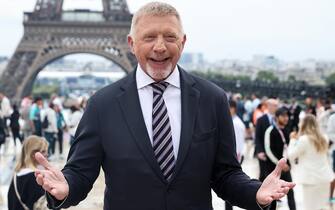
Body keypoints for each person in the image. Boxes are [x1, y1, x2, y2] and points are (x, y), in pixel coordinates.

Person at [34, 2, 294, 210]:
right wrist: (66, 187)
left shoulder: (212, 99)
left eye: (169, 36)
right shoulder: (102, 105)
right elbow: (81, 172)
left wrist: (256, 192)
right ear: (131, 43)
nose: (160, 46)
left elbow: (225, 173)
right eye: (149, 37)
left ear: (183, 42)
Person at [288, 114, 333, 210]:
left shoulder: (304, 139)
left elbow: (291, 156)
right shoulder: (324, 138)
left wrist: (292, 140)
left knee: (310, 207)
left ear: (303, 125)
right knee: (322, 207)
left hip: (311, 180)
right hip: (324, 178)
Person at [264, 107, 296, 210]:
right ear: (277, 117)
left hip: (286, 167)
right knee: (273, 196)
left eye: (287, 116)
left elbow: (288, 148)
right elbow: (268, 150)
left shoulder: (287, 130)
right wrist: (280, 164)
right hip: (274, 168)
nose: (286, 118)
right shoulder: (270, 130)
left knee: (291, 192)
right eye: (283, 116)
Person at [7, 135, 48, 210]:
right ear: (33, 154)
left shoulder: (16, 174)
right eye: (43, 151)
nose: (46, 154)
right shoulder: (35, 178)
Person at [225, 99, 246, 210]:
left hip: (234, 157)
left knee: (230, 185)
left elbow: (237, 143)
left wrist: (235, 159)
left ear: (232, 108)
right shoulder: (232, 121)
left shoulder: (236, 123)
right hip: (234, 156)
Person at [255, 98, 279, 181]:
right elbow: (257, 137)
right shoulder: (261, 120)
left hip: (275, 153)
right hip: (264, 153)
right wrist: (259, 151)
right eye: (275, 105)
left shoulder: (279, 119)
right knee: (264, 176)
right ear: (268, 106)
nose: (276, 107)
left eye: (277, 105)